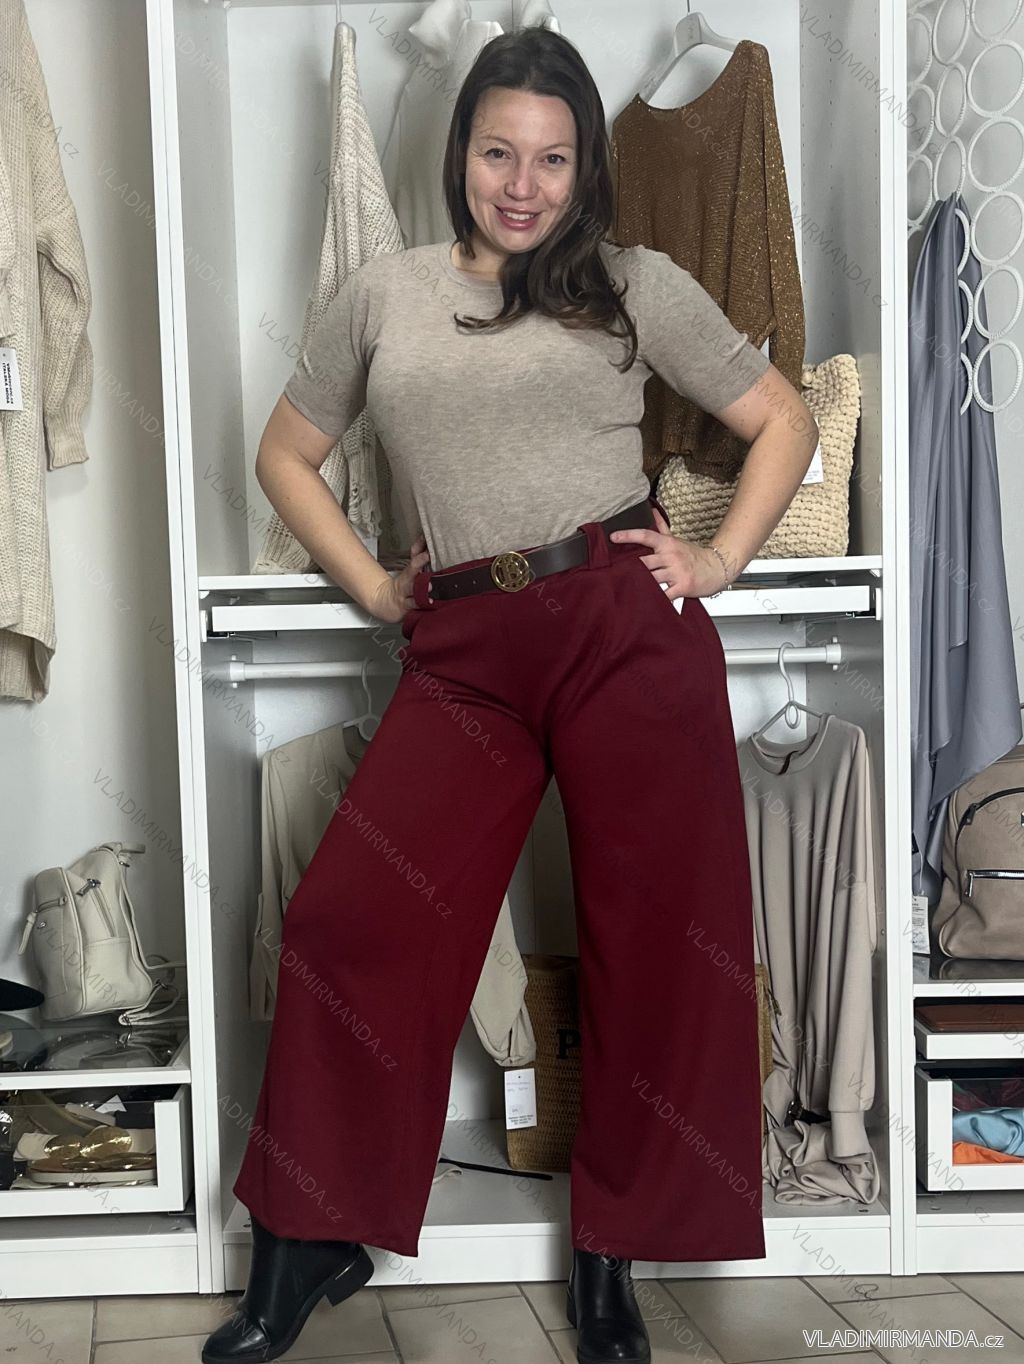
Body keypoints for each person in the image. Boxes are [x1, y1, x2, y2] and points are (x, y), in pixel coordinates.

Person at [202, 26, 818, 1364]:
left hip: (618, 626)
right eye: (499, 153)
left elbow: (786, 416)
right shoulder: (383, 294)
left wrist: (716, 560)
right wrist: (377, 585)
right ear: (461, 152)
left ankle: (611, 1260)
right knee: (347, 920)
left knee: (658, 946)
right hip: (466, 649)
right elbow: (284, 454)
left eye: (552, 159)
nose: (523, 185)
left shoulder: (633, 283)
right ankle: (307, 1239)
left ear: (584, 166)